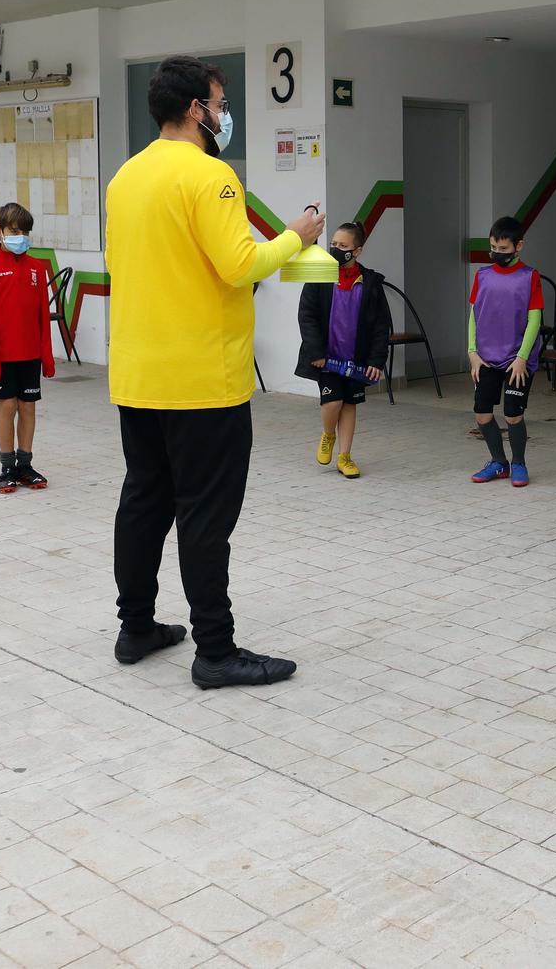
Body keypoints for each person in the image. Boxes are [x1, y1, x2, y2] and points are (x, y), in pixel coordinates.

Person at [106, 54, 325, 686]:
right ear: (197, 109)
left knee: (143, 502)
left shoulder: (126, 177)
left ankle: (136, 626)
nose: (225, 115)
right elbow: (238, 264)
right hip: (203, 378)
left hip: (140, 373)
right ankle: (216, 651)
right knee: (204, 514)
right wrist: (296, 236)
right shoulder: (213, 176)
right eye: (221, 103)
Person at [295, 221, 391, 479]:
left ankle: (345, 456)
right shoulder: (321, 274)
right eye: (334, 244)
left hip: (355, 360)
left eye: (343, 246)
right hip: (326, 359)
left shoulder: (370, 283)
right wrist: (315, 351)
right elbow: (307, 315)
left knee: (349, 405)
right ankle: (328, 434)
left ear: (357, 251)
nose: (336, 249)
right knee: (333, 402)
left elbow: (382, 326)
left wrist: (377, 359)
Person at [0, 202, 56, 493]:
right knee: (8, 406)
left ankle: (25, 464)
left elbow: (42, 319)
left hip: (31, 355)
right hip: (3, 358)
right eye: (13, 231)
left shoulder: (37, 269)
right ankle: (7, 466)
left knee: (28, 407)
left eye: (24, 231)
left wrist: (47, 356)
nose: (19, 236)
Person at [466, 216, 545, 488]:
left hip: (516, 360)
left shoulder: (530, 276)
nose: (497, 254)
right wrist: (472, 351)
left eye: (503, 249)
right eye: (493, 248)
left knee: (513, 414)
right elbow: (473, 314)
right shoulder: (482, 275)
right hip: (486, 357)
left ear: (518, 246)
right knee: (482, 413)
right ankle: (499, 462)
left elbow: (535, 319)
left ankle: (519, 463)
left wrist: (522, 357)